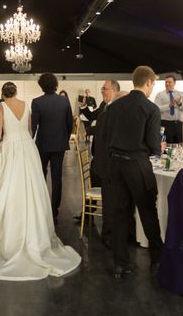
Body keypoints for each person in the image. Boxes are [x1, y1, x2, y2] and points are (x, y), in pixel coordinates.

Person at [0, 82, 81, 280]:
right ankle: (34, 229)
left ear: (2, 93)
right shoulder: (26, 104)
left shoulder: (1, 106)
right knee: (31, 188)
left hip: (10, 147)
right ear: (16, 92)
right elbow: (29, 129)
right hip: (27, 147)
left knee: (8, 188)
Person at [104, 65, 163, 278]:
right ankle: (157, 260)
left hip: (115, 165)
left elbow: (105, 137)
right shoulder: (151, 109)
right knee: (148, 211)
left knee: (119, 215)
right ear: (148, 82)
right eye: (153, 84)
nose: (152, 88)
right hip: (137, 165)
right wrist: (155, 148)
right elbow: (155, 146)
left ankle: (121, 263)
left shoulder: (114, 107)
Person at [79, 80, 121, 245]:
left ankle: (107, 230)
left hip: (107, 157)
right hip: (99, 156)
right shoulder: (104, 105)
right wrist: (83, 106)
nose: (103, 91)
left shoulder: (115, 107)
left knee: (107, 191)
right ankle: (88, 213)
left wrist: (87, 131)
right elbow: (92, 116)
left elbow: (103, 127)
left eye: (105, 88)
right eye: (102, 88)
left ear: (115, 90)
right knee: (96, 179)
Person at [31, 73, 73, 224]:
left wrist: (30, 142)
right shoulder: (64, 101)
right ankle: (54, 211)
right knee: (57, 178)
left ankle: (42, 208)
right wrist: (64, 138)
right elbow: (70, 125)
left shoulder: (36, 102)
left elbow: (34, 126)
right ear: (55, 84)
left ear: (41, 85)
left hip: (42, 144)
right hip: (59, 144)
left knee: (41, 176)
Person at [153, 75, 183, 144]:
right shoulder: (160, 95)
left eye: (169, 82)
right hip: (165, 124)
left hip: (178, 124)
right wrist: (169, 105)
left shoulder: (181, 94)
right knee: (166, 146)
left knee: (180, 145)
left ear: (174, 83)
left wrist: (180, 104)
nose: (167, 84)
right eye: (166, 82)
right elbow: (156, 109)